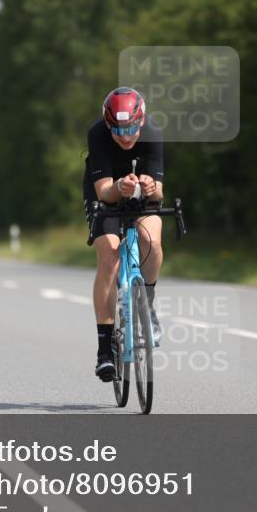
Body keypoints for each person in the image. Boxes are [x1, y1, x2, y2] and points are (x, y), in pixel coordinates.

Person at [83, 87, 164, 382]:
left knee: (151, 241)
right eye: (117, 130)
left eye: (131, 128)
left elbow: (159, 192)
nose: (125, 136)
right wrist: (120, 187)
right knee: (109, 259)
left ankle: (147, 306)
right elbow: (104, 191)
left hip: (143, 196)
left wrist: (150, 187)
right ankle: (105, 349)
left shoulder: (153, 131)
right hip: (105, 196)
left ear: (141, 121)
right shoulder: (98, 134)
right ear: (108, 125)